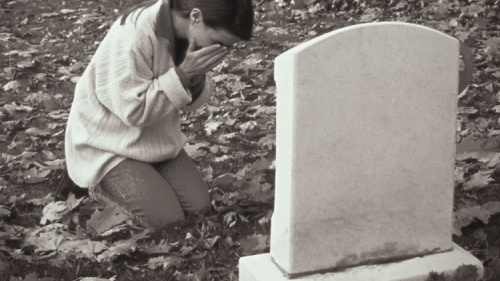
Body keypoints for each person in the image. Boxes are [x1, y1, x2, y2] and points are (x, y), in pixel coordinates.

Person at [60, 0, 254, 227]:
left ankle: (144, 176)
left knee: (199, 208)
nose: (221, 52)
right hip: (107, 142)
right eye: (218, 43)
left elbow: (187, 103)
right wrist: (183, 74)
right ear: (195, 16)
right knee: (166, 219)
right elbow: (132, 112)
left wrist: (195, 75)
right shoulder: (134, 35)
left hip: (155, 139)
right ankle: (95, 185)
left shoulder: (188, 36)